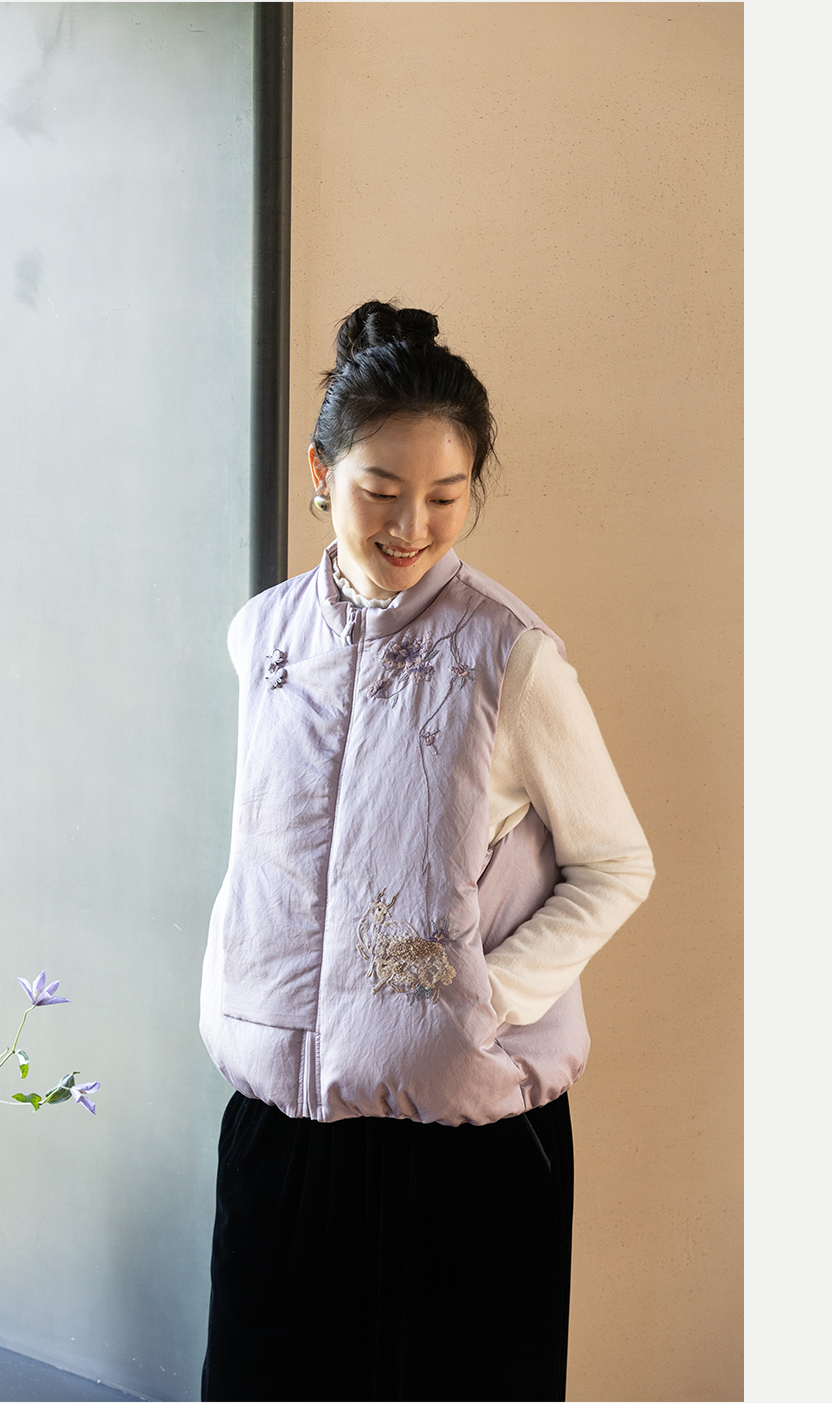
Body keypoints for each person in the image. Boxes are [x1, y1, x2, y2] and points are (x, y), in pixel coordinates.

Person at [198, 301, 655, 1403]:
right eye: (382, 490)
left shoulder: (512, 657)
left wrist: (481, 1002)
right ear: (322, 474)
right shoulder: (262, 636)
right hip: (282, 1132)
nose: (412, 525)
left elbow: (616, 863)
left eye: (446, 496)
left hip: (462, 1151)